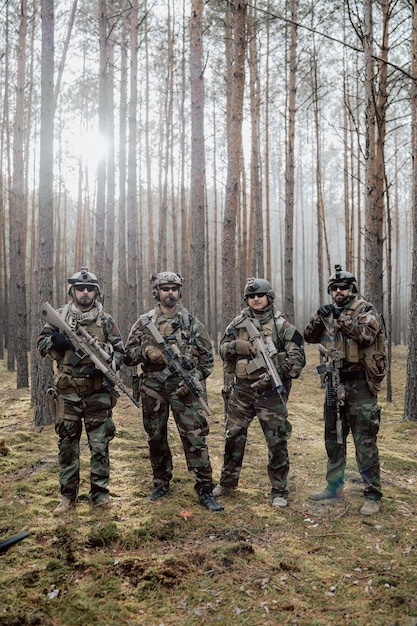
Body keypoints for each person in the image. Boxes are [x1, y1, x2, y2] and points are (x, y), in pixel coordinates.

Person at [124, 271, 224, 512]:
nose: (170, 292)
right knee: (155, 437)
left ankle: (204, 489)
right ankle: (161, 483)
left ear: (180, 292)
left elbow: (208, 360)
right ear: (157, 292)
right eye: (165, 288)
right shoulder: (145, 321)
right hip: (153, 388)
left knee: (195, 438)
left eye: (174, 288)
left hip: (184, 390)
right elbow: (127, 354)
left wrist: (194, 380)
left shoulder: (191, 322)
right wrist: (146, 352)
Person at [37, 268, 125, 516]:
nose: (85, 293)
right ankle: (67, 497)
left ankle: (100, 494)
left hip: (97, 393)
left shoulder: (105, 321)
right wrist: (56, 341)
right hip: (67, 394)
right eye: (80, 288)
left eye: (89, 289)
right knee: (67, 445)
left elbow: (121, 352)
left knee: (100, 445)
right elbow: (41, 344)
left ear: (96, 292)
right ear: (72, 291)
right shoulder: (59, 317)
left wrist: (107, 363)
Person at [213, 277, 306, 508]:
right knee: (233, 436)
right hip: (242, 392)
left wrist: (278, 372)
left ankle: (279, 490)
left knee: (277, 442)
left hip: (270, 394)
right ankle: (227, 483)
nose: (256, 299)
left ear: (269, 297)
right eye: (251, 296)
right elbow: (222, 349)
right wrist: (236, 346)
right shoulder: (237, 323)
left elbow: (297, 357)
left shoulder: (281, 325)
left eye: (260, 295)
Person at [303, 264, 386, 516]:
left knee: (365, 440)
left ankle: (372, 493)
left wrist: (341, 320)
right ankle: (334, 486)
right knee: (334, 439)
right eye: (334, 288)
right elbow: (309, 336)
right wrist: (320, 317)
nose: (339, 292)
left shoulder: (365, 309)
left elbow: (366, 336)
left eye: (344, 287)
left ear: (352, 289)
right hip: (333, 382)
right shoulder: (327, 313)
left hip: (360, 385)